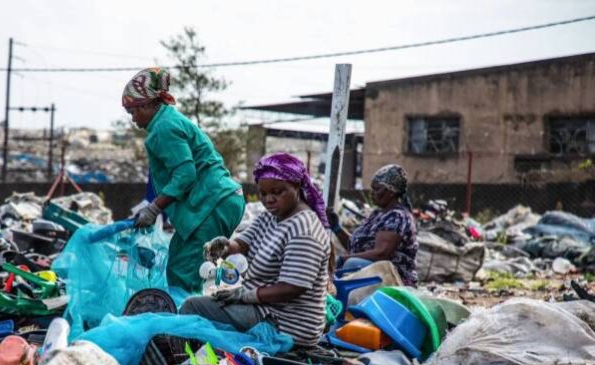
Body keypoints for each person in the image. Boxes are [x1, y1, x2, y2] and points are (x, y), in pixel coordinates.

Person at [180, 153, 330, 347]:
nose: (269, 199)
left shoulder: (304, 230)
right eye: (263, 193)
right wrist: (224, 247)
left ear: (297, 186)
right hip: (265, 307)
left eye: (277, 192)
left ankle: (186, 355)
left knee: (193, 306)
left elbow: (292, 287)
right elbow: (241, 245)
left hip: (286, 322)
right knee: (206, 301)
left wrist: (245, 295)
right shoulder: (271, 217)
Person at [122, 67, 245, 293]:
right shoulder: (169, 120)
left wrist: (154, 209)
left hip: (211, 204)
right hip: (218, 201)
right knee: (184, 264)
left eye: (133, 112)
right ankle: (190, 316)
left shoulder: (163, 128)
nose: (133, 119)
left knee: (184, 274)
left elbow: (185, 174)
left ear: (146, 105)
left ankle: (184, 325)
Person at [329, 164, 419, 285]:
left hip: (394, 278)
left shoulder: (398, 217)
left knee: (352, 264)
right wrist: (337, 228)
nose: (372, 193)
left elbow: (381, 254)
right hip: (377, 273)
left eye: (377, 189)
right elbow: (355, 247)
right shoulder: (377, 214)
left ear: (391, 192)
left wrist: (344, 259)